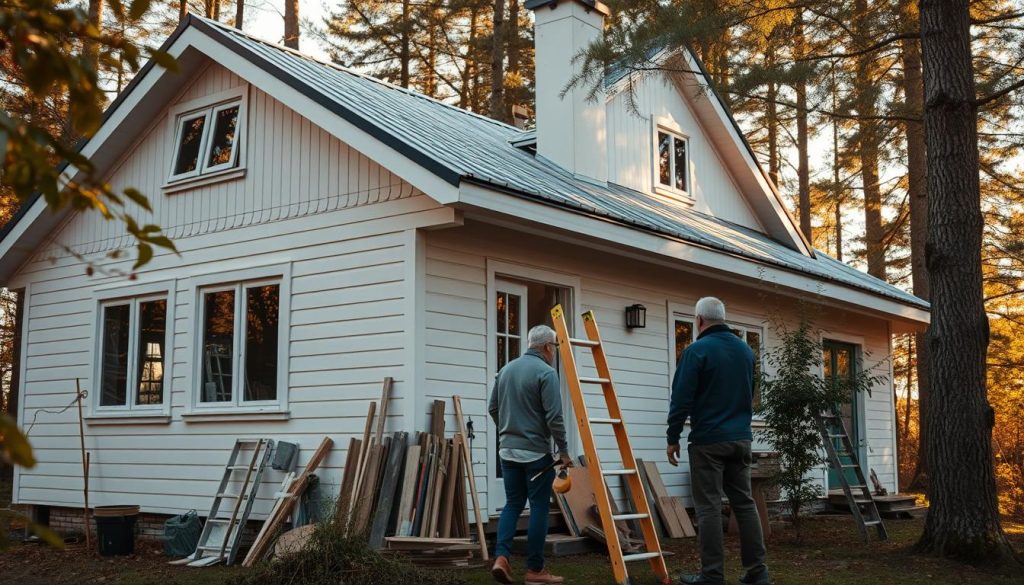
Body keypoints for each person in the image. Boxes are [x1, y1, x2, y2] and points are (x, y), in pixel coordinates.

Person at [666, 297, 770, 585]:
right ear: (723, 318)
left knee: (709, 507)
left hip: (708, 441)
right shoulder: (746, 351)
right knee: (745, 503)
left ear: (699, 320)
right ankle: (757, 573)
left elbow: (681, 399)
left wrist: (672, 437)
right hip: (741, 439)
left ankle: (712, 575)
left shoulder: (696, 351)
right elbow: (750, 393)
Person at [488, 324, 573, 585]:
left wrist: (507, 431)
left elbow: (492, 407)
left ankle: (501, 558)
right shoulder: (546, 373)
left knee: (513, 504)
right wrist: (563, 449)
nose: (555, 353)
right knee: (538, 507)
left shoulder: (505, 370)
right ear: (547, 347)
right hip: (535, 453)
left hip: (507, 450)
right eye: (555, 348)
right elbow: (555, 418)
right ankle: (535, 571)